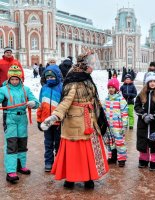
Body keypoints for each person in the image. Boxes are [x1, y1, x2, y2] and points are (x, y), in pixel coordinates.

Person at [41, 52, 109, 189]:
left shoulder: (86, 78)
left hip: (89, 121)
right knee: (74, 153)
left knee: (88, 152)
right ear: (84, 65)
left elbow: (93, 99)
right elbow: (65, 102)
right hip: (75, 123)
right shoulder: (74, 80)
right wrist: (55, 116)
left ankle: (88, 177)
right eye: (91, 65)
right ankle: (71, 179)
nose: (93, 67)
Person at [0, 65, 39, 183]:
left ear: (20, 78)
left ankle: (21, 166)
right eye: (12, 79)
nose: (15, 81)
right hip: (10, 118)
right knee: (11, 144)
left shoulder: (25, 89)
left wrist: (33, 103)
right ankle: (11, 171)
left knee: (22, 143)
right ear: (9, 78)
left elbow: (36, 102)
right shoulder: (3, 89)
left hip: (22, 118)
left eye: (17, 79)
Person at [37, 65, 63, 172]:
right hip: (46, 121)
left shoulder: (62, 87)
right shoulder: (44, 88)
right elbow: (40, 105)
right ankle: (48, 162)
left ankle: (58, 162)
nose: (49, 79)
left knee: (58, 143)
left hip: (57, 121)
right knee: (48, 143)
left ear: (57, 76)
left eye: (52, 77)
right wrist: (39, 120)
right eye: (47, 77)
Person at [134, 72, 155, 170]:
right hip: (143, 123)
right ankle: (143, 160)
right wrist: (143, 115)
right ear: (147, 82)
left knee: (154, 143)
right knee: (143, 142)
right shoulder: (141, 94)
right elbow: (136, 106)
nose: (152, 83)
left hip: (154, 123)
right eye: (150, 81)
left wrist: (153, 116)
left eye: (154, 81)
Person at [103, 78, 128, 167]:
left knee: (119, 142)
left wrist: (124, 125)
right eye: (109, 87)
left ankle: (121, 159)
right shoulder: (106, 99)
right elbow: (104, 111)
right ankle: (112, 157)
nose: (111, 89)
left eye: (113, 87)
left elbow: (124, 113)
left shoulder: (121, 99)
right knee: (109, 141)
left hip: (118, 126)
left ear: (116, 89)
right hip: (109, 125)